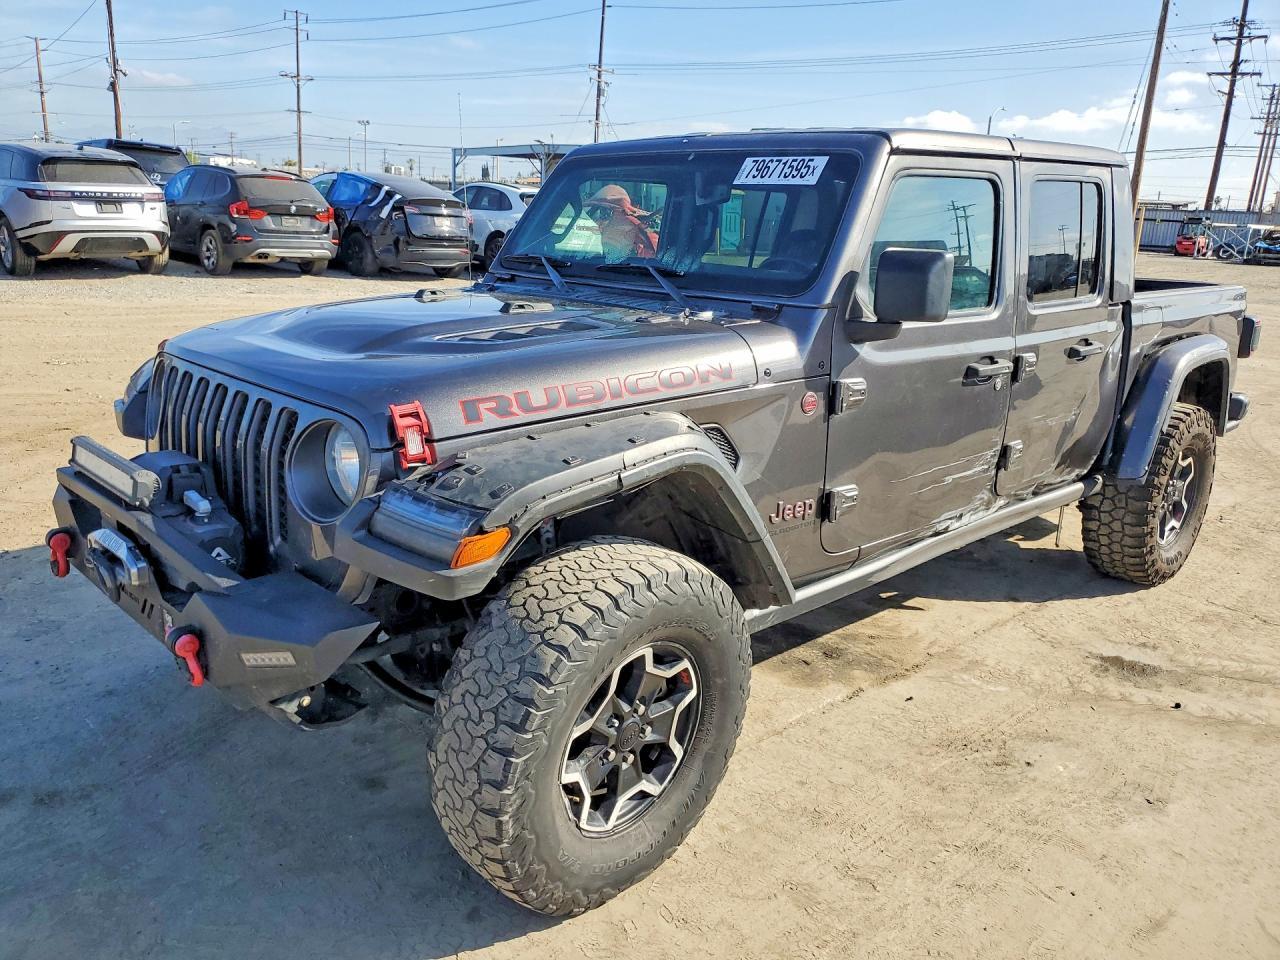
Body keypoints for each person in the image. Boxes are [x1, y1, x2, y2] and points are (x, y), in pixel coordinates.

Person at [584, 184, 658, 261]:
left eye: (605, 212)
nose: (598, 222)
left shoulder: (648, 241)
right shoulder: (589, 241)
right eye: (594, 212)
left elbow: (655, 261)